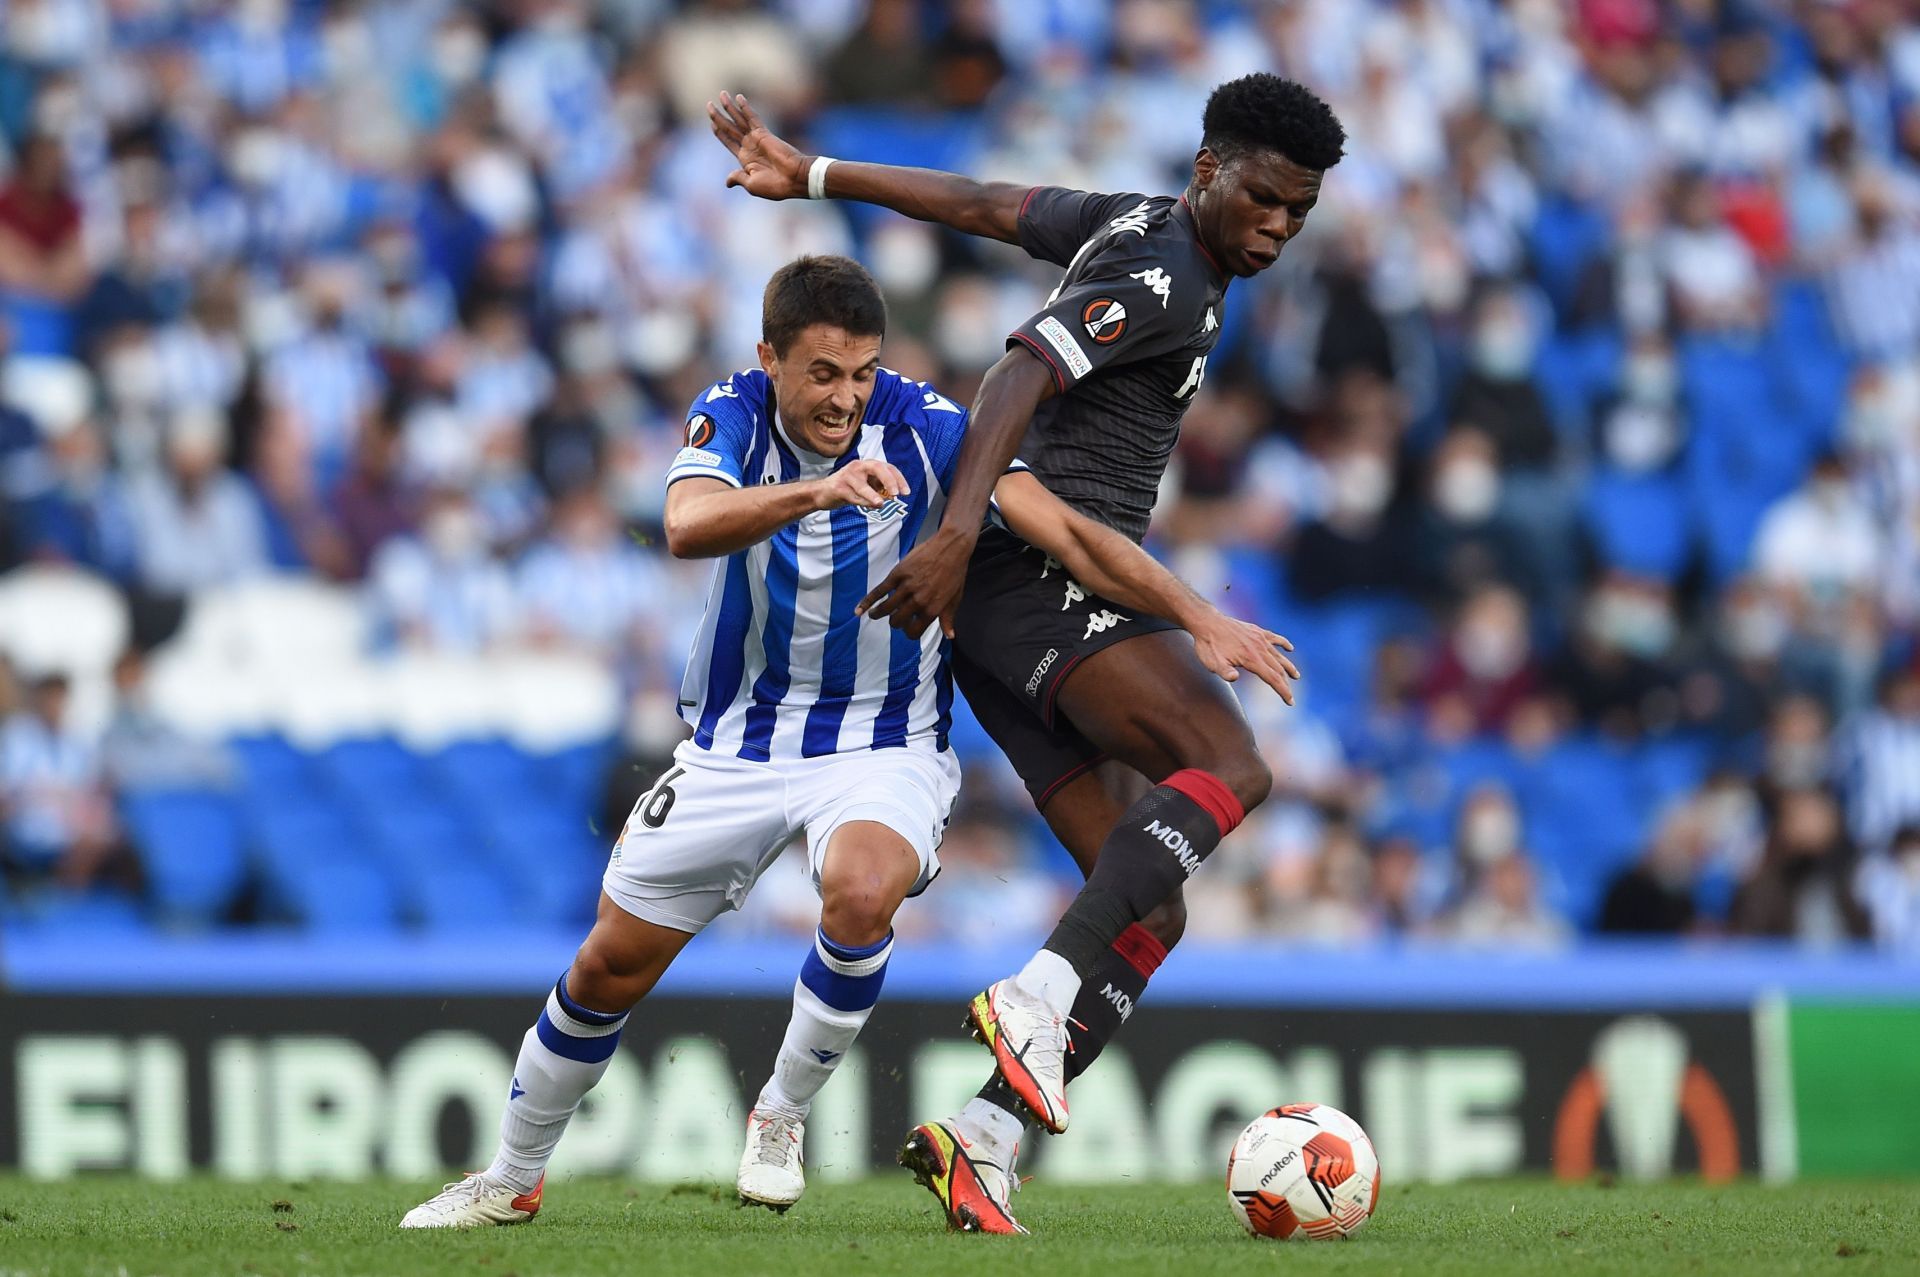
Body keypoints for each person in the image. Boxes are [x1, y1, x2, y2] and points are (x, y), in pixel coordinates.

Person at [399, 255, 1296, 1229]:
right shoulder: (733, 411)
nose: (844, 395)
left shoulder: (929, 426)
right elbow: (686, 523)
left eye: (861, 372)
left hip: (884, 741)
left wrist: (1199, 613)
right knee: (606, 966)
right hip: (737, 743)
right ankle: (511, 1175)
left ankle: (779, 1116)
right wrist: (819, 491)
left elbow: (1069, 534)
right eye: (823, 372)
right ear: (770, 358)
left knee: (864, 891)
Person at [709, 70, 1341, 1230]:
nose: (1277, 227)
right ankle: (1038, 995)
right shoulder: (1161, 269)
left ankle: (986, 1136)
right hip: (1031, 578)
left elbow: (990, 203)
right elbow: (1016, 372)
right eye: (1264, 198)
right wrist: (956, 537)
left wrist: (815, 175)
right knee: (1233, 763)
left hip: (1007, 610)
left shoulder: (1140, 228)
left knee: (1147, 905)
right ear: (1211, 170)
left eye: (1297, 212)